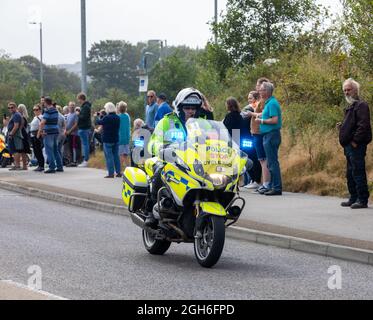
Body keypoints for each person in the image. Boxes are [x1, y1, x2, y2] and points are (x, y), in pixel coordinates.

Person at [339, 78, 372, 209]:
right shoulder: (351, 107)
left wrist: (355, 141)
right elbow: (353, 125)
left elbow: (363, 126)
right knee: (350, 173)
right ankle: (353, 197)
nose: (347, 92)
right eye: (345, 90)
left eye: (349, 89)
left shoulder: (361, 105)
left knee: (358, 172)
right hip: (348, 146)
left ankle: (362, 199)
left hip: (356, 146)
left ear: (355, 90)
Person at [255, 81, 282, 196]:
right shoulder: (268, 103)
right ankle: (271, 185)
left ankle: (276, 187)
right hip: (268, 135)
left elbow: (274, 120)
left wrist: (261, 121)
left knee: (272, 162)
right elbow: (267, 115)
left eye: (261, 90)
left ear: (267, 91)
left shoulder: (272, 103)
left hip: (271, 135)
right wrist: (258, 115)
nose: (259, 92)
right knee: (270, 162)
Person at [240, 92, 262, 189]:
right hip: (247, 136)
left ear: (256, 98)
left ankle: (256, 180)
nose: (249, 100)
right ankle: (252, 180)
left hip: (251, 136)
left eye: (251, 98)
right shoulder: (247, 107)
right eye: (248, 98)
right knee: (248, 158)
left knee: (253, 159)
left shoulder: (255, 107)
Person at [37, 97, 63, 173]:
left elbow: (42, 122)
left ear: (45, 102)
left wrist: (39, 132)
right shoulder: (55, 110)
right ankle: (60, 166)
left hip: (48, 132)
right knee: (56, 150)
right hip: (55, 131)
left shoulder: (47, 111)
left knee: (49, 150)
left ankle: (52, 167)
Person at [95, 102, 121, 178]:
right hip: (115, 139)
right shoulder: (117, 117)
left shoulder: (106, 118)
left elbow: (98, 122)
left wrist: (98, 116)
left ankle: (111, 173)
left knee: (109, 157)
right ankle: (118, 172)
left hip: (107, 140)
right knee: (116, 156)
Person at [6, 102, 24, 170]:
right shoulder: (14, 114)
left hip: (14, 135)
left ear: (15, 108)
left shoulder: (16, 115)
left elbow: (16, 126)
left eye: (12, 107)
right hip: (14, 134)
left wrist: (11, 134)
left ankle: (17, 165)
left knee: (15, 150)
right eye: (9, 108)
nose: (10, 109)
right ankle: (16, 164)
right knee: (14, 150)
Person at [76, 92, 92, 167]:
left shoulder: (85, 107)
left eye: (78, 99)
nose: (78, 101)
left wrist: (78, 114)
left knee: (85, 144)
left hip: (84, 128)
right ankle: (86, 159)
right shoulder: (86, 106)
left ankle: (86, 160)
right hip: (84, 127)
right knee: (85, 144)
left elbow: (84, 117)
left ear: (81, 99)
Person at [65, 101, 81, 166]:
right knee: (70, 148)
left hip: (74, 134)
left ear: (74, 106)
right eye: (70, 105)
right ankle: (71, 161)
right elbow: (66, 123)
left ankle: (75, 161)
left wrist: (70, 131)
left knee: (75, 148)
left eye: (73, 105)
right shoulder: (68, 115)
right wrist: (65, 131)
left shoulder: (76, 115)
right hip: (68, 134)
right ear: (68, 106)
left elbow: (76, 124)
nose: (71, 106)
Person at [30, 104, 45, 171]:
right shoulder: (35, 117)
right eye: (34, 110)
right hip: (33, 135)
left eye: (36, 109)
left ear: (40, 110)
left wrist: (38, 135)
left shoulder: (41, 117)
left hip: (37, 135)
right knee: (36, 151)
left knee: (38, 151)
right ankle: (39, 165)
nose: (35, 111)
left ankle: (41, 165)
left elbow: (41, 126)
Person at [117, 101, 131, 171]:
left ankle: (119, 170)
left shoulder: (118, 117)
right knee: (126, 154)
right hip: (127, 137)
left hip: (120, 138)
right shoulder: (127, 116)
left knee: (120, 155)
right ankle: (128, 168)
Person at [17, 104, 32, 169]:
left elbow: (21, 126)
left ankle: (24, 166)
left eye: (18, 108)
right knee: (23, 151)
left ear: (21, 109)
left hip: (22, 134)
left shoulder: (22, 118)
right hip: (24, 134)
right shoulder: (25, 117)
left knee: (23, 151)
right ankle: (24, 165)